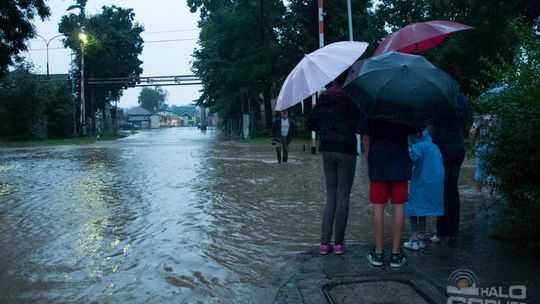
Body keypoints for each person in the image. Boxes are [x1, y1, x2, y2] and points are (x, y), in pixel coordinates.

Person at [307, 70, 363, 255]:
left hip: (327, 150)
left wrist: (325, 130)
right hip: (346, 150)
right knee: (343, 196)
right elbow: (358, 125)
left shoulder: (323, 98)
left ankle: (324, 244)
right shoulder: (350, 98)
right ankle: (338, 243)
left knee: (330, 196)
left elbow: (311, 123)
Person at [364, 119, 415, 267]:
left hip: (378, 162)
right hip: (400, 162)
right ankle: (396, 254)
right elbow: (417, 131)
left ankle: (378, 253)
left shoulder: (372, 106)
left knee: (378, 205)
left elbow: (366, 138)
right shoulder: (405, 105)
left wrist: (368, 162)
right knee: (399, 206)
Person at [431, 65, 468, 244]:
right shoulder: (463, 100)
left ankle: (442, 232)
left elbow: (433, 121)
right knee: (453, 189)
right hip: (458, 147)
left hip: (443, 148)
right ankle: (453, 229)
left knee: (443, 190)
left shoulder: (440, 100)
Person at [403, 129, 444, 251]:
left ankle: (414, 239)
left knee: (413, 210)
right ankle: (421, 238)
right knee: (422, 211)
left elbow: (410, 159)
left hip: (420, 183)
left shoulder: (418, 147)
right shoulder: (434, 146)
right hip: (433, 184)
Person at [469, 111, 496, 195]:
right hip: (494, 146)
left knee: (479, 168)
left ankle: (478, 192)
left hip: (481, 146)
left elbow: (472, 132)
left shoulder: (480, 118)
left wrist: (472, 146)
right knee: (492, 170)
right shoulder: (497, 118)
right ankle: (490, 194)